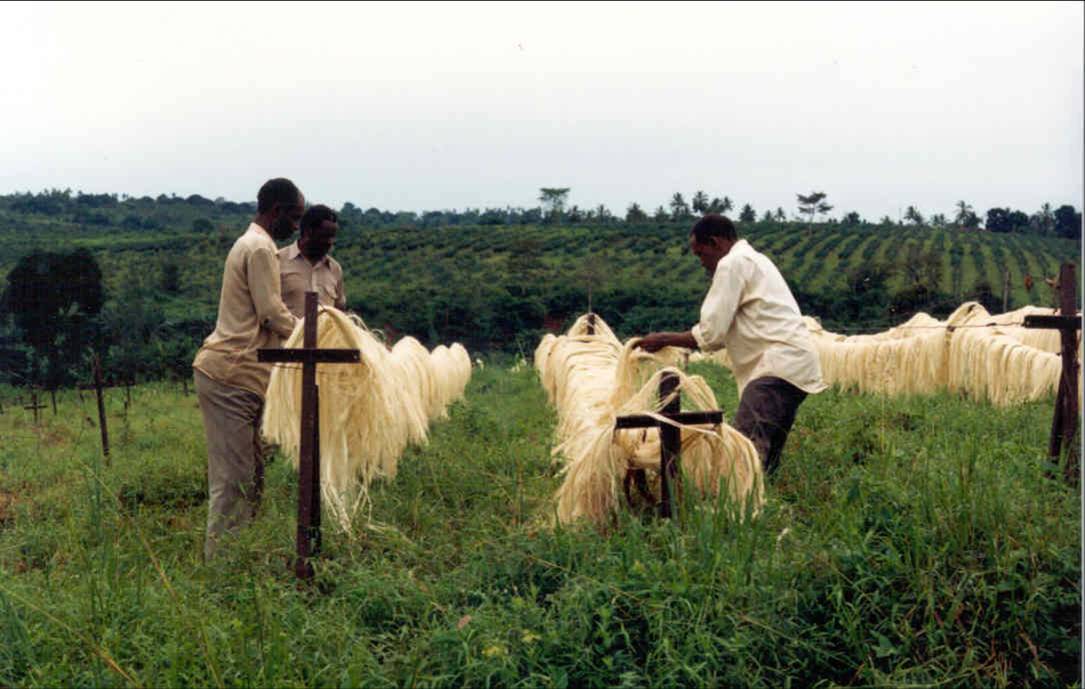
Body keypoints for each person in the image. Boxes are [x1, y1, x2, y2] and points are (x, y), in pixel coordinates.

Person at [636, 214, 825, 476]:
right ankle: (762, 504)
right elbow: (721, 334)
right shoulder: (756, 260)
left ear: (716, 243)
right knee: (765, 456)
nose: (702, 263)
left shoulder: (732, 264)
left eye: (701, 254)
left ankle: (739, 510)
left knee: (743, 452)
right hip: (796, 365)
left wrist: (665, 339)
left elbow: (711, 334)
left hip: (775, 366)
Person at [192, 178, 303, 558]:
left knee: (252, 476)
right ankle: (221, 569)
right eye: (295, 218)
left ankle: (241, 556)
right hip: (230, 373)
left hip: (244, 375)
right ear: (277, 211)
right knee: (233, 479)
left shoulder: (257, 245)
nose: (297, 228)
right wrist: (315, 336)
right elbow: (271, 313)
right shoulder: (258, 249)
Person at [278, 204, 346, 318]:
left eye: (333, 237)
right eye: (325, 236)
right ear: (308, 232)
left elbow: (340, 311)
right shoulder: (277, 261)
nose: (330, 242)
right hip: (288, 336)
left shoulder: (335, 269)